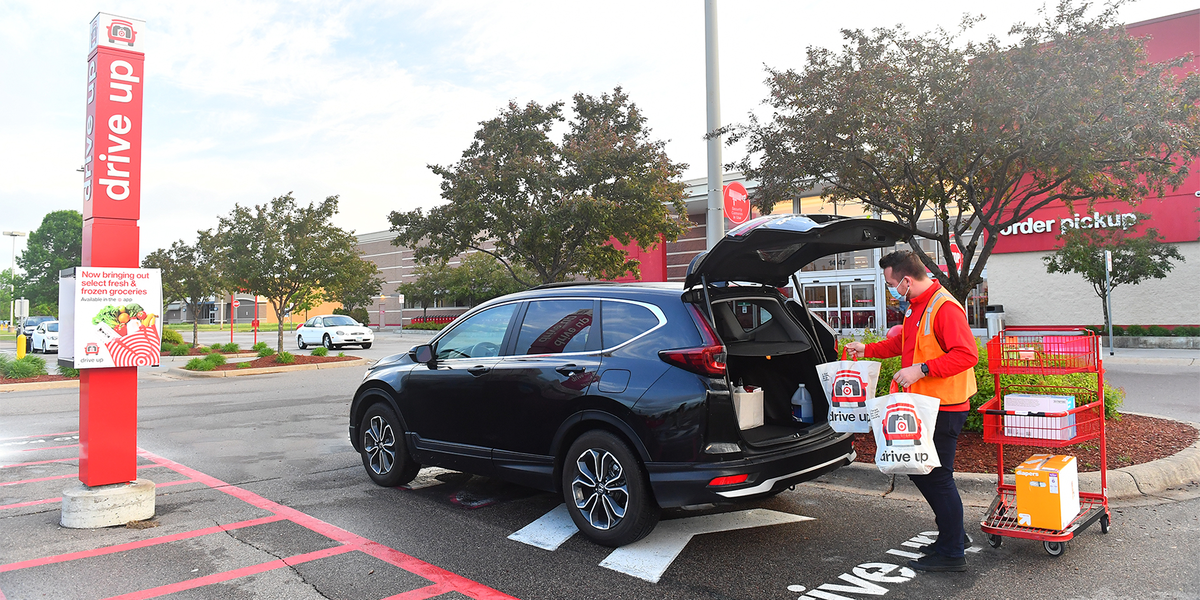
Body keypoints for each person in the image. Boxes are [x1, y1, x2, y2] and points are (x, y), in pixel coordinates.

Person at [845, 250, 978, 572]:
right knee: (927, 474)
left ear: (906, 280)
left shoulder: (944, 307)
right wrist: (868, 350)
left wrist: (922, 369)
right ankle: (954, 536)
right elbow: (904, 344)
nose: (891, 289)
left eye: (891, 283)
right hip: (927, 405)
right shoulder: (917, 306)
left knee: (935, 477)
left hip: (943, 407)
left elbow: (967, 354)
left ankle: (951, 552)